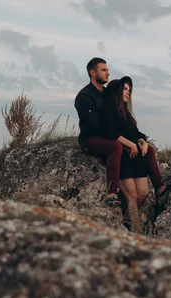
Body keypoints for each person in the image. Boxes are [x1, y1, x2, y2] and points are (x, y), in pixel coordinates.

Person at [101, 76, 167, 224]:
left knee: (143, 193)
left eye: (129, 90)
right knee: (133, 197)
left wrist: (143, 142)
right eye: (124, 89)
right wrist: (130, 144)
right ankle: (133, 229)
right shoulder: (109, 110)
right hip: (123, 158)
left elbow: (137, 133)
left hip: (136, 158)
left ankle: (125, 222)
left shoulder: (125, 112)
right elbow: (111, 133)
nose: (127, 93)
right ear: (116, 90)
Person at [74, 57, 124, 206]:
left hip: (108, 135)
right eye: (104, 70)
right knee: (116, 146)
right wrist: (117, 136)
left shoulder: (109, 93)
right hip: (90, 139)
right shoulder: (84, 96)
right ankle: (112, 193)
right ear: (92, 72)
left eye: (108, 70)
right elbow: (94, 125)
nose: (107, 73)